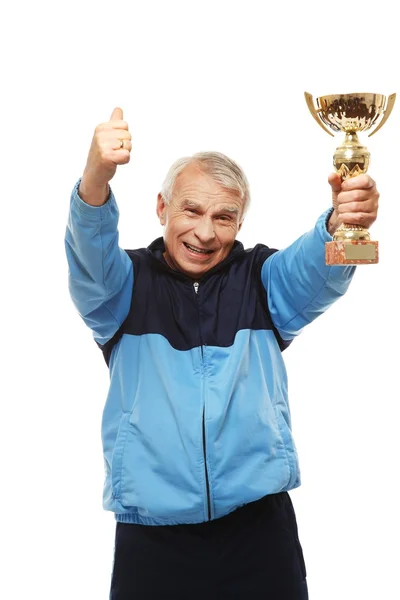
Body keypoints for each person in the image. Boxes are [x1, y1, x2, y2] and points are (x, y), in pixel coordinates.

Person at [65, 108, 379, 599]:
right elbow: (88, 251)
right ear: (161, 207)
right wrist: (95, 180)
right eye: (191, 210)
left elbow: (324, 272)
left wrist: (345, 225)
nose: (206, 233)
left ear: (239, 223)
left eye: (223, 217)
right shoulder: (121, 290)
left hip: (259, 533)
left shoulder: (262, 280)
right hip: (152, 539)